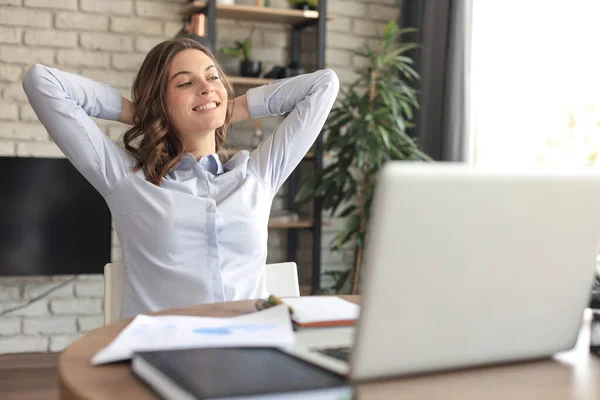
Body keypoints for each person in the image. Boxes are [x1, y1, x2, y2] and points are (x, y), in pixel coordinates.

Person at [22, 38, 339, 318]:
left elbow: (324, 84)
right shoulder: (127, 179)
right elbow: (43, 82)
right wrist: (144, 113)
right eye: (185, 83)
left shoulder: (256, 175)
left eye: (212, 77)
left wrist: (229, 107)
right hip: (164, 355)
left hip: (249, 347)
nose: (206, 87)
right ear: (160, 100)